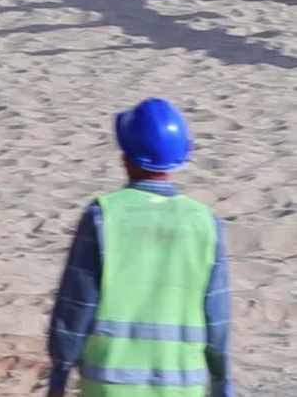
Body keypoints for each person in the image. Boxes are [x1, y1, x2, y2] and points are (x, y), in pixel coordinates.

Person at [46, 98, 232, 396]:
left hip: (109, 383)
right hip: (183, 386)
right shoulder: (206, 223)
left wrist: (59, 375)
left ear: (126, 158)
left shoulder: (103, 216)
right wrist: (222, 385)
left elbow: (77, 305)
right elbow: (217, 320)